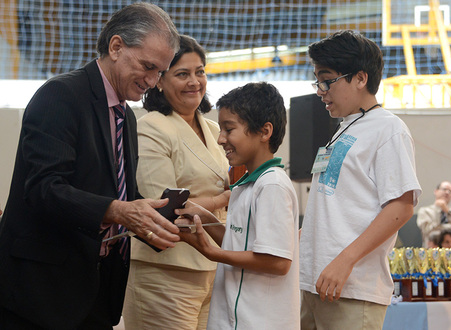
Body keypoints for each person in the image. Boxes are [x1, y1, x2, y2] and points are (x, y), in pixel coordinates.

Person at [0, 3, 181, 329]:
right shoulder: (61, 95)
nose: (153, 82)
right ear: (116, 47)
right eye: (148, 66)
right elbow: (44, 189)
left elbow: (124, 195)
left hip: (96, 292)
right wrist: (117, 211)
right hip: (43, 295)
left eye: (160, 73)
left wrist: (172, 218)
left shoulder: (125, 117)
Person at [298, 30, 421, 330]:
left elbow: (401, 206)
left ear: (360, 78)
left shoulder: (388, 129)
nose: (320, 90)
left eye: (327, 80)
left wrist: (345, 260)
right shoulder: (344, 128)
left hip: (352, 288)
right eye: (317, 81)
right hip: (314, 283)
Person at [122, 35, 230, 330]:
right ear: (159, 80)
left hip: (212, 268)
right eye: (182, 74)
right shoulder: (150, 127)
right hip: (164, 273)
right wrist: (222, 200)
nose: (194, 82)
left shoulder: (213, 128)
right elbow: (166, 206)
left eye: (200, 72)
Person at [176, 82, 300, 330]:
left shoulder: (272, 185)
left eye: (229, 129)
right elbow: (239, 244)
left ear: (264, 132)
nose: (221, 139)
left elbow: (277, 262)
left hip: (259, 322)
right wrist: (206, 218)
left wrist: (211, 253)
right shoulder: (245, 186)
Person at [417, 181, 451, 248]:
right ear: (436, 191)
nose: (447, 192)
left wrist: (448, 211)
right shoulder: (425, 211)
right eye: (444, 189)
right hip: (431, 252)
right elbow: (427, 230)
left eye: (450, 191)